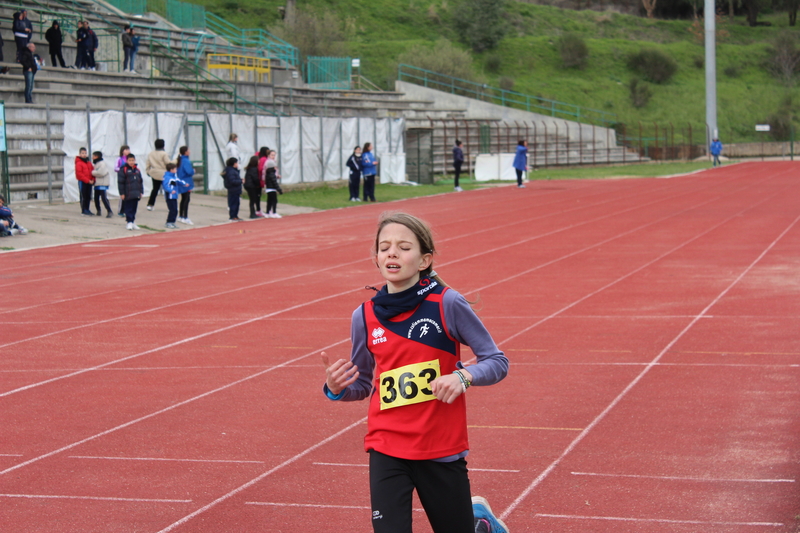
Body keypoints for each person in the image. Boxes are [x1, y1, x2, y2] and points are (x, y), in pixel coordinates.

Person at [321, 212, 510, 533]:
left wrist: (464, 376)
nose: (392, 253)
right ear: (377, 257)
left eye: (403, 247)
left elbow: (496, 361)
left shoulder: (446, 304)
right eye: (385, 247)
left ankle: (479, 524)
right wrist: (336, 387)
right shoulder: (363, 316)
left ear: (424, 260)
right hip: (386, 445)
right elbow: (363, 384)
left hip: (440, 447)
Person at [118, 153, 144, 230]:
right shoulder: (124, 170)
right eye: (130, 160)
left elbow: (140, 181)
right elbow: (120, 182)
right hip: (128, 193)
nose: (131, 162)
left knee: (134, 208)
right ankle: (129, 221)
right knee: (128, 208)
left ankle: (132, 221)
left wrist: (141, 191)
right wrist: (122, 193)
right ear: (127, 161)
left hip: (136, 193)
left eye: (133, 160)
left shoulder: (137, 170)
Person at [145, 139, 171, 211]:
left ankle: (150, 204)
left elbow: (148, 163)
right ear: (163, 145)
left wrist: (148, 171)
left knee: (155, 189)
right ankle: (170, 205)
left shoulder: (151, 153)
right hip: (164, 173)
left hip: (155, 173)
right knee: (167, 190)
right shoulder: (164, 154)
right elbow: (168, 163)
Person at [162, 163, 186, 229]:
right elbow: (165, 186)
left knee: (175, 210)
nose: (176, 170)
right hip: (169, 196)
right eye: (175, 169)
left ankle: (172, 222)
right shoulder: (167, 177)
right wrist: (170, 191)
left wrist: (185, 184)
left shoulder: (174, 177)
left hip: (174, 196)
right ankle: (168, 222)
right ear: (171, 170)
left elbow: (179, 181)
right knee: (172, 209)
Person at [176, 146, 195, 225]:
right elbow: (189, 171)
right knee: (186, 199)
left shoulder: (180, 160)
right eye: (188, 150)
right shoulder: (186, 161)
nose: (190, 151)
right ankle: (185, 217)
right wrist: (193, 171)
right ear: (185, 152)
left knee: (183, 199)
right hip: (186, 182)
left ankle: (181, 216)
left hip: (181, 181)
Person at [91, 151, 113, 217]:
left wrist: (92, 172)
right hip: (97, 183)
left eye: (93, 156)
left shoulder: (102, 164)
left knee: (104, 198)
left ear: (97, 156)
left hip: (102, 183)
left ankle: (109, 211)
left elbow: (101, 172)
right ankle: (98, 210)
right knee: (96, 198)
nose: (92, 157)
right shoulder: (96, 164)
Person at [262, 150, 283, 218]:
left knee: (270, 200)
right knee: (273, 200)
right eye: (272, 155)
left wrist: (276, 176)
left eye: (274, 155)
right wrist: (279, 189)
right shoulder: (268, 163)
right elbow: (264, 173)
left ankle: (269, 212)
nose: (273, 156)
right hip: (270, 185)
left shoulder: (272, 165)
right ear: (268, 155)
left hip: (270, 184)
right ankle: (273, 212)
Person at [74, 147, 94, 215]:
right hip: (83, 181)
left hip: (89, 182)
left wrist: (92, 179)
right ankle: (84, 209)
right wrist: (87, 180)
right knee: (83, 196)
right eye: (83, 153)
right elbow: (79, 174)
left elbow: (92, 171)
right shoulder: (79, 163)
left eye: (85, 153)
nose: (84, 154)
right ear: (79, 154)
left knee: (88, 195)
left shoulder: (88, 163)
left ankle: (87, 209)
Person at [222, 157, 243, 221]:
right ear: (234, 163)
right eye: (236, 163)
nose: (237, 164)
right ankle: (233, 216)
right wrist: (241, 181)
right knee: (233, 203)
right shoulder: (231, 171)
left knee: (236, 203)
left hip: (235, 189)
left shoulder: (232, 170)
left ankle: (235, 215)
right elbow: (232, 181)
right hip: (233, 189)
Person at [114, 145, 131, 217]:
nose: (127, 151)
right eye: (126, 150)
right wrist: (122, 170)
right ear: (122, 151)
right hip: (122, 178)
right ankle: (121, 210)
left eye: (128, 149)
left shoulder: (130, 159)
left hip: (129, 178)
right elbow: (115, 168)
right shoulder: (119, 159)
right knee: (123, 194)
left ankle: (127, 210)